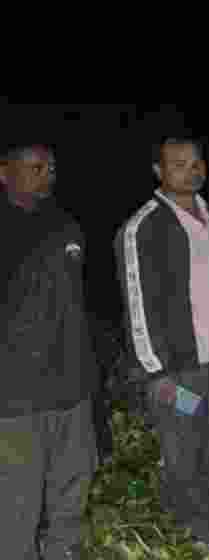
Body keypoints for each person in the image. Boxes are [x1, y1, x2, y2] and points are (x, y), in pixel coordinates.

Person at [115, 137, 209, 550]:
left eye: (196, 163)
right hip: (180, 370)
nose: (191, 170)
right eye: (179, 164)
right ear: (158, 171)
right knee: (183, 447)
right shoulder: (144, 226)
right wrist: (158, 373)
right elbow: (138, 305)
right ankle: (194, 527)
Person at [1, 143, 98, 559]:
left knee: (71, 493)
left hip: (72, 389)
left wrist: (90, 385)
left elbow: (77, 308)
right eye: (35, 168)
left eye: (52, 168)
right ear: (4, 172)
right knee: (17, 505)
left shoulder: (67, 225)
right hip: (16, 400)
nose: (47, 176)